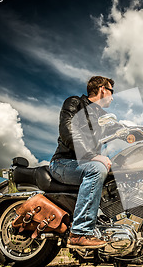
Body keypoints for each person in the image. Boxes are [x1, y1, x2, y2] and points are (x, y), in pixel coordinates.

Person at [49, 76, 115, 248]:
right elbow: (66, 130)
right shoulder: (75, 103)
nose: (112, 97)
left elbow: (125, 131)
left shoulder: (104, 117)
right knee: (97, 168)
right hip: (64, 163)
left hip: (84, 164)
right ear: (102, 89)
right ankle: (80, 233)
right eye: (111, 92)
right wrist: (91, 155)